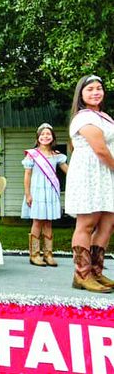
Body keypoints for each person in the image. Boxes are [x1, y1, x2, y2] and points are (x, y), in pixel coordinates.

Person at [65, 75, 114, 293]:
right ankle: (82, 274)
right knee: (87, 222)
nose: (96, 92)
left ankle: (95, 270)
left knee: (108, 221)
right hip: (89, 171)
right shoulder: (83, 118)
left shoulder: (103, 116)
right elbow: (101, 150)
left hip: (105, 172)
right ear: (81, 95)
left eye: (99, 88)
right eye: (90, 89)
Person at [21, 123, 69, 267]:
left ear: (53, 137)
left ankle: (48, 254)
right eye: (42, 134)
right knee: (37, 221)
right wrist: (28, 194)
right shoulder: (32, 155)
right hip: (36, 192)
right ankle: (34, 255)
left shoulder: (57, 156)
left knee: (48, 222)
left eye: (48, 134)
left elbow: (69, 172)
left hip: (50, 191)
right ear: (38, 137)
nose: (45, 136)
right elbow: (27, 176)